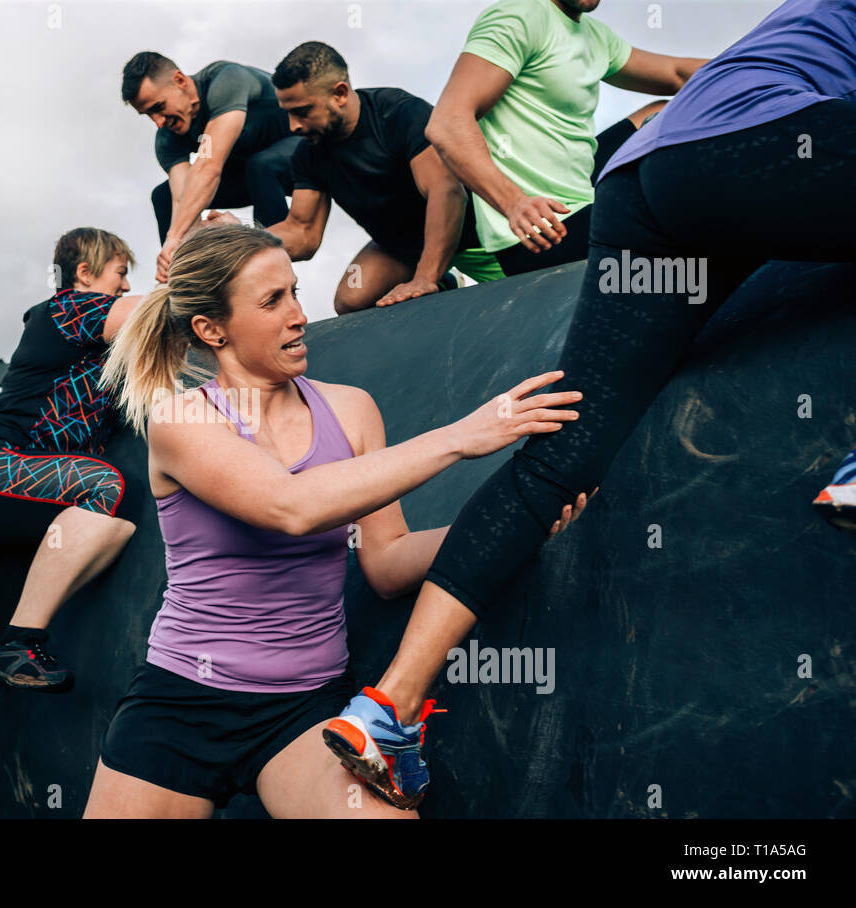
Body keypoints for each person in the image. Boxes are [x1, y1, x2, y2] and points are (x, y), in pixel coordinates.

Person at [324, 0, 856, 809]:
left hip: (648, 185)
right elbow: (452, 122)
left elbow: (687, 75)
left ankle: (387, 708)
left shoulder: (790, 26)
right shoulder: (520, 20)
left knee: (563, 452)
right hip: (754, 152)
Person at [81, 223, 587, 818]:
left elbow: (387, 564)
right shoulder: (182, 421)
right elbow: (291, 507)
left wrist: (509, 527)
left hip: (304, 708)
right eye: (272, 302)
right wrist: (460, 437)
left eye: (294, 291)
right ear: (210, 329)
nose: (298, 315)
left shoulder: (350, 409)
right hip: (184, 703)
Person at [0, 227, 144, 818]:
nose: (126, 284)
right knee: (108, 492)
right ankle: (22, 641)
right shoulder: (64, 313)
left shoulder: (95, 347)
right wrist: (193, 257)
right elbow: (154, 313)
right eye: (118, 272)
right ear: (84, 275)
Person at [425, 0, 708, 277]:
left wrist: (749, 64)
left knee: (667, 111)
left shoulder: (596, 36)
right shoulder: (520, 16)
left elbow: (676, 74)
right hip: (541, 231)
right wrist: (514, 203)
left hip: (584, 201)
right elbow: (448, 123)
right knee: (690, 220)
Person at [261, 41, 503, 314]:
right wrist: (240, 239)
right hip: (402, 246)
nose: (294, 125)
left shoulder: (398, 112)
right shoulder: (309, 153)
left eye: (303, 111)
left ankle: (435, 276)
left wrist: (425, 277)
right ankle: (447, 284)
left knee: (533, 285)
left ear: (339, 93)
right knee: (351, 300)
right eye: (288, 113)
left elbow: (446, 191)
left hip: (470, 234)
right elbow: (302, 232)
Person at [121, 52, 304, 281]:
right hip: (251, 177)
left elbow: (210, 166)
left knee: (260, 165)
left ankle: (272, 272)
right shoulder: (167, 138)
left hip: (300, 156)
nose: (158, 121)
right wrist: (179, 247)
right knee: (164, 197)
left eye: (159, 107)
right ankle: (190, 287)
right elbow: (182, 199)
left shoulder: (226, 80)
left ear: (180, 80)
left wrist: (174, 237)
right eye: (148, 114)